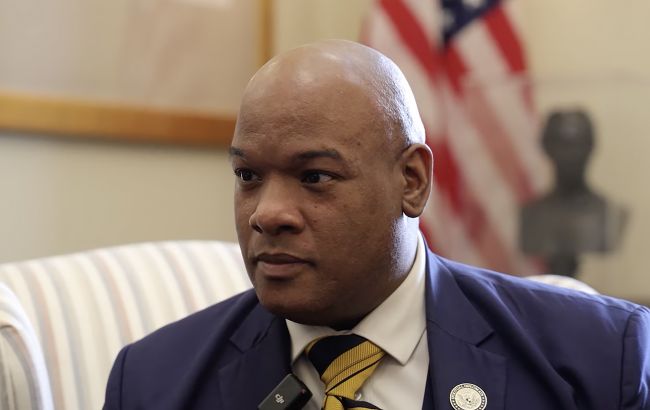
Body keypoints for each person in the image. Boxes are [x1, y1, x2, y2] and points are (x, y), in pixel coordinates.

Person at [103, 40, 650, 409]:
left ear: (411, 181)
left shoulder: (600, 358)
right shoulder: (154, 383)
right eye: (248, 175)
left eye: (314, 177)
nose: (267, 213)